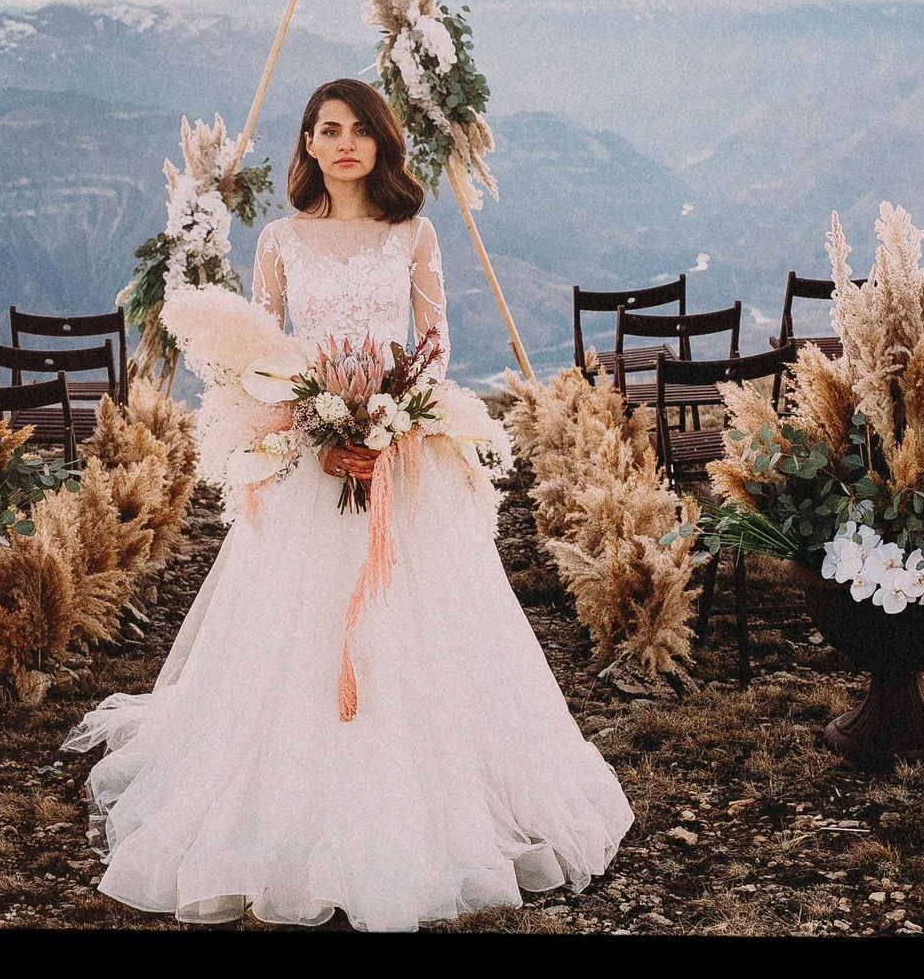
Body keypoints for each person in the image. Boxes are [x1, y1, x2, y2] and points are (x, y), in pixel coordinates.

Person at [62, 78, 633, 931]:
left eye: (361, 129)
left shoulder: (414, 232)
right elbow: (261, 357)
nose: (345, 143)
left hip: (399, 456)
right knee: (295, 627)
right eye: (328, 129)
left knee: (418, 625)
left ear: (382, 144)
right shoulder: (281, 239)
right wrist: (314, 425)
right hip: (308, 457)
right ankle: (291, 805)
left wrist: (394, 421)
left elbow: (435, 345)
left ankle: (425, 801)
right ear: (307, 144)